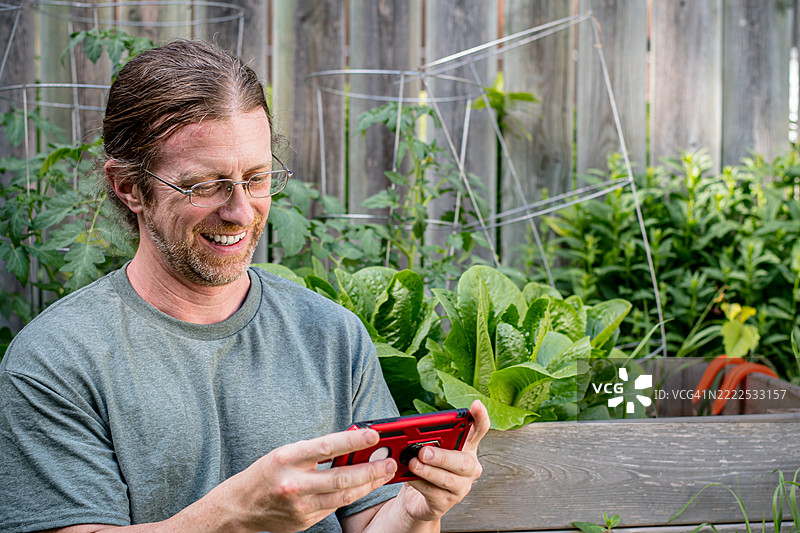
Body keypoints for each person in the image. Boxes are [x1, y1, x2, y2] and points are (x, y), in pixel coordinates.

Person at [0, 40, 489, 533]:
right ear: (129, 187)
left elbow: (370, 523)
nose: (240, 211)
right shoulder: (55, 361)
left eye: (256, 179)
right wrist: (234, 516)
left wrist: (414, 511)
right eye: (205, 185)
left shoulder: (332, 336)